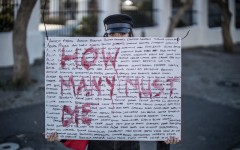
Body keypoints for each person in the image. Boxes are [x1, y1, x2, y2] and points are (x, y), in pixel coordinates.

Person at [47, 14, 180, 150]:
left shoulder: (144, 63)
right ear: (106, 35)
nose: (117, 38)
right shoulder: (92, 63)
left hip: (129, 141)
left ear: (130, 34)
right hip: (99, 140)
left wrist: (165, 134)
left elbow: (153, 99)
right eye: (113, 34)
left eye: (122, 34)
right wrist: (61, 130)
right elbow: (77, 96)